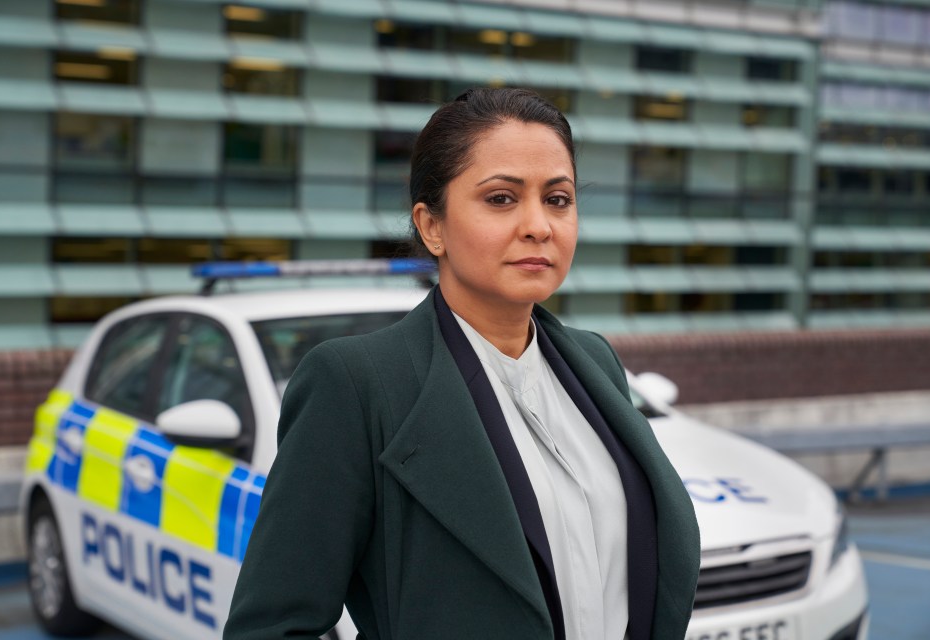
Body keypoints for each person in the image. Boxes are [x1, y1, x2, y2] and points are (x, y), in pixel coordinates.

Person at [224, 88, 700, 640]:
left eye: (558, 199)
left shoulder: (594, 360)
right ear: (432, 227)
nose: (538, 226)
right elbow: (273, 626)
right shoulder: (355, 384)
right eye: (501, 198)